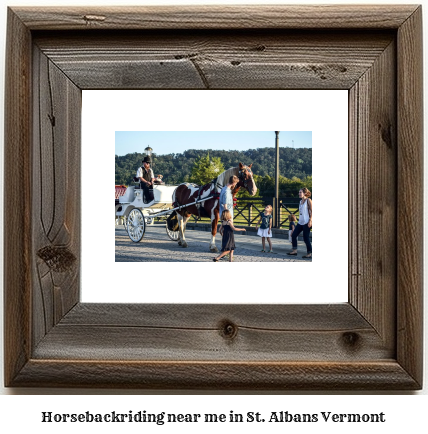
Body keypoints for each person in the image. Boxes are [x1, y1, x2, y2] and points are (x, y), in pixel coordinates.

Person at [287, 188, 312, 258]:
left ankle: (309, 253)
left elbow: (312, 211)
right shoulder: (300, 201)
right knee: (294, 235)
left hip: (306, 222)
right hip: (300, 222)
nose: (299, 194)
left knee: (306, 238)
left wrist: (310, 221)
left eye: (300, 192)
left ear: (304, 193)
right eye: (299, 192)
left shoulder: (308, 200)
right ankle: (294, 251)